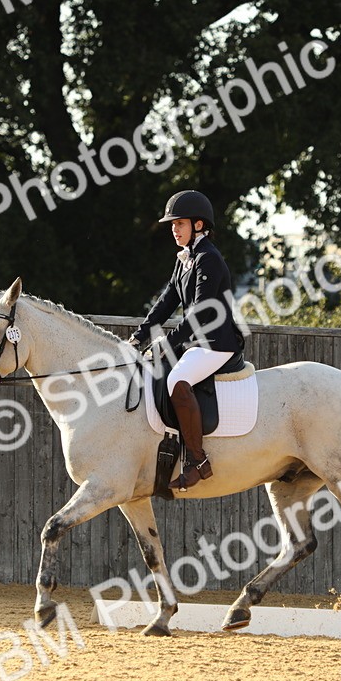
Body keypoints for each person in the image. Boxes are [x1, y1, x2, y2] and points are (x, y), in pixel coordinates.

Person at [128, 190, 244, 491]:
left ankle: (198, 460)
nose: (173, 230)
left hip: (217, 343)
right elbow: (166, 303)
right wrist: (139, 336)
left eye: (179, 223)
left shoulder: (209, 259)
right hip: (196, 343)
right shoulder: (184, 259)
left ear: (199, 225)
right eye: (172, 225)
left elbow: (199, 314)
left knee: (177, 381)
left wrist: (166, 342)